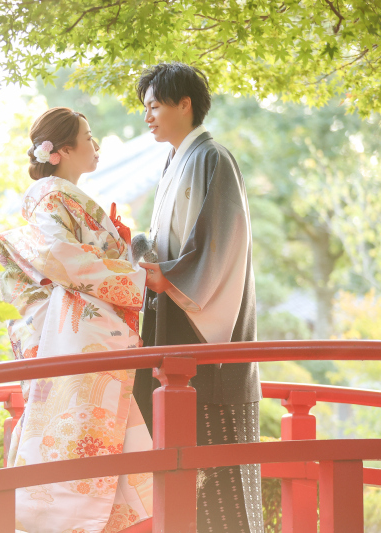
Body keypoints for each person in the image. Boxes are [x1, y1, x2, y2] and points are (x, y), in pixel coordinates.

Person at [0, 107, 153, 533]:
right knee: (89, 438)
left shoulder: (60, 195)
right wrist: (134, 279)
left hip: (91, 330)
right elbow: (61, 258)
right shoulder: (51, 197)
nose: (95, 144)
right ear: (62, 150)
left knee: (112, 442)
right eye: (88, 136)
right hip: (82, 332)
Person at [132, 62, 263, 533]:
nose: (147, 116)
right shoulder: (177, 161)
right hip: (179, 319)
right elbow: (167, 244)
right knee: (183, 465)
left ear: (183, 104)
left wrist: (167, 275)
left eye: (154, 106)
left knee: (218, 471)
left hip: (205, 329)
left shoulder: (212, 158)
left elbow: (219, 243)